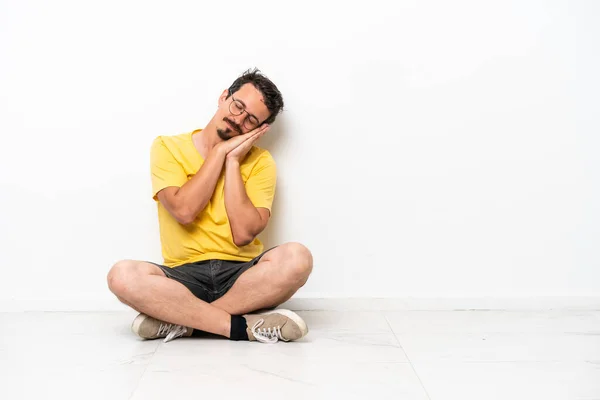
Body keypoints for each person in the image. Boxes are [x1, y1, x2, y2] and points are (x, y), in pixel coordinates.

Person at [107, 69, 313, 344]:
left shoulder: (261, 163)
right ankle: (242, 327)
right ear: (223, 96)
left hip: (242, 277)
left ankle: (183, 321)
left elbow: (243, 235)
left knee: (298, 258)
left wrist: (232, 161)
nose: (239, 119)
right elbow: (183, 211)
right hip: (182, 277)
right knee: (121, 276)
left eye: (251, 120)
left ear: (260, 130)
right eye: (237, 105)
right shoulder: (167, 147)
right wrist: (218, 153)